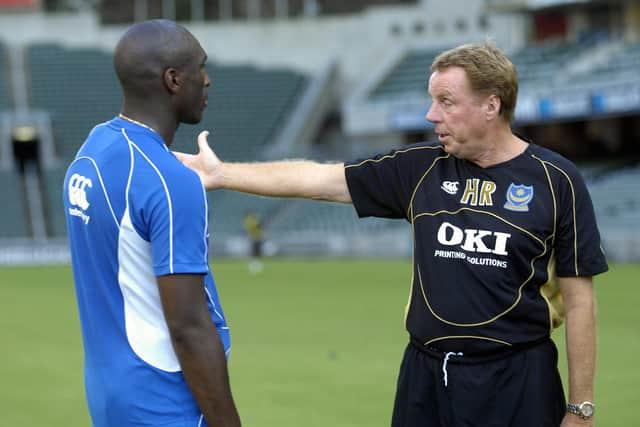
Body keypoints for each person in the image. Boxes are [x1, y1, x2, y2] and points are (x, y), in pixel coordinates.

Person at [176, 41, 607, 426]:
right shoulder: (421, 169)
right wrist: (222, 173)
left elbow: (580, 300)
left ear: (491, 106)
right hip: (425, 376)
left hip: (518, 378)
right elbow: (320, 179)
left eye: (446, 101)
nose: (431, 114)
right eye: (431, 100)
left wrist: (580, 408)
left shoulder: (557, 181)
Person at [63, 20, 241, 427]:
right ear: (174, 79)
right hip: (162, 399)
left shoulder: (93, 151)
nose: (208, 81)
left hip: (109, 393)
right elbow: (189, 328)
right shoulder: (170, 182)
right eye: (201, 67)